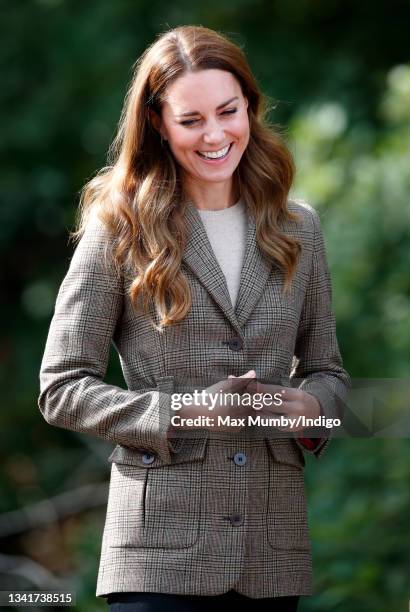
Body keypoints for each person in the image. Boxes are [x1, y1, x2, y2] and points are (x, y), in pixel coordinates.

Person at [38, 25, 350, 612]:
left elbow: (329, 371)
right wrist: (185, 411)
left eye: (228, 112)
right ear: (157, 122)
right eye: (191, 120)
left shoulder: (298, 228)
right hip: (157, 555)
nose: (215, 135)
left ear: (250, 109)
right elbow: (60, 389)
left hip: (270, 550)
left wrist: (314, 409)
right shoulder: (120, 228)